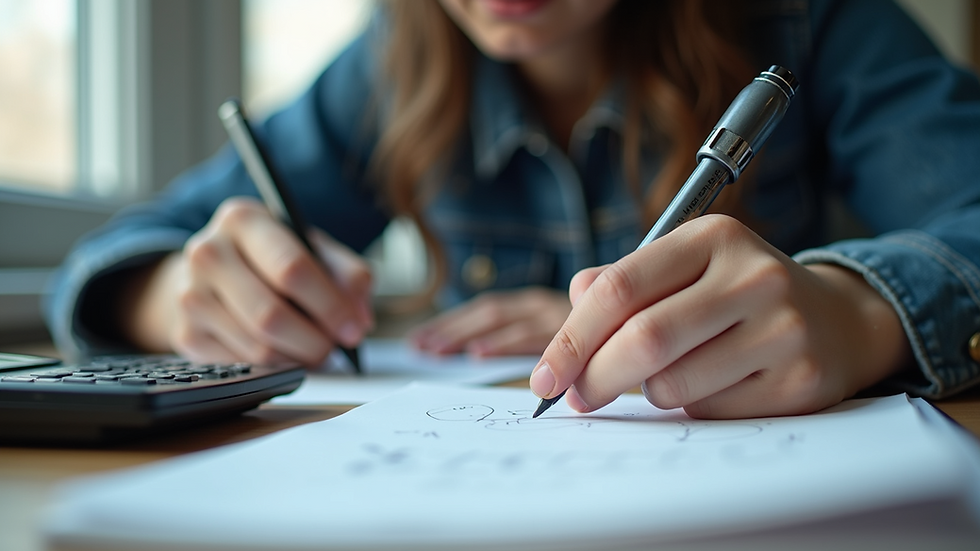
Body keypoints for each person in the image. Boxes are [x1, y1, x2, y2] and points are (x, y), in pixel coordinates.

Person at [47, 0, 980, 419]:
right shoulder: (387, 66)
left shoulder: (817, 22)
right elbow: (125, 250)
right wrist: (171, 296)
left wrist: (857, 312)